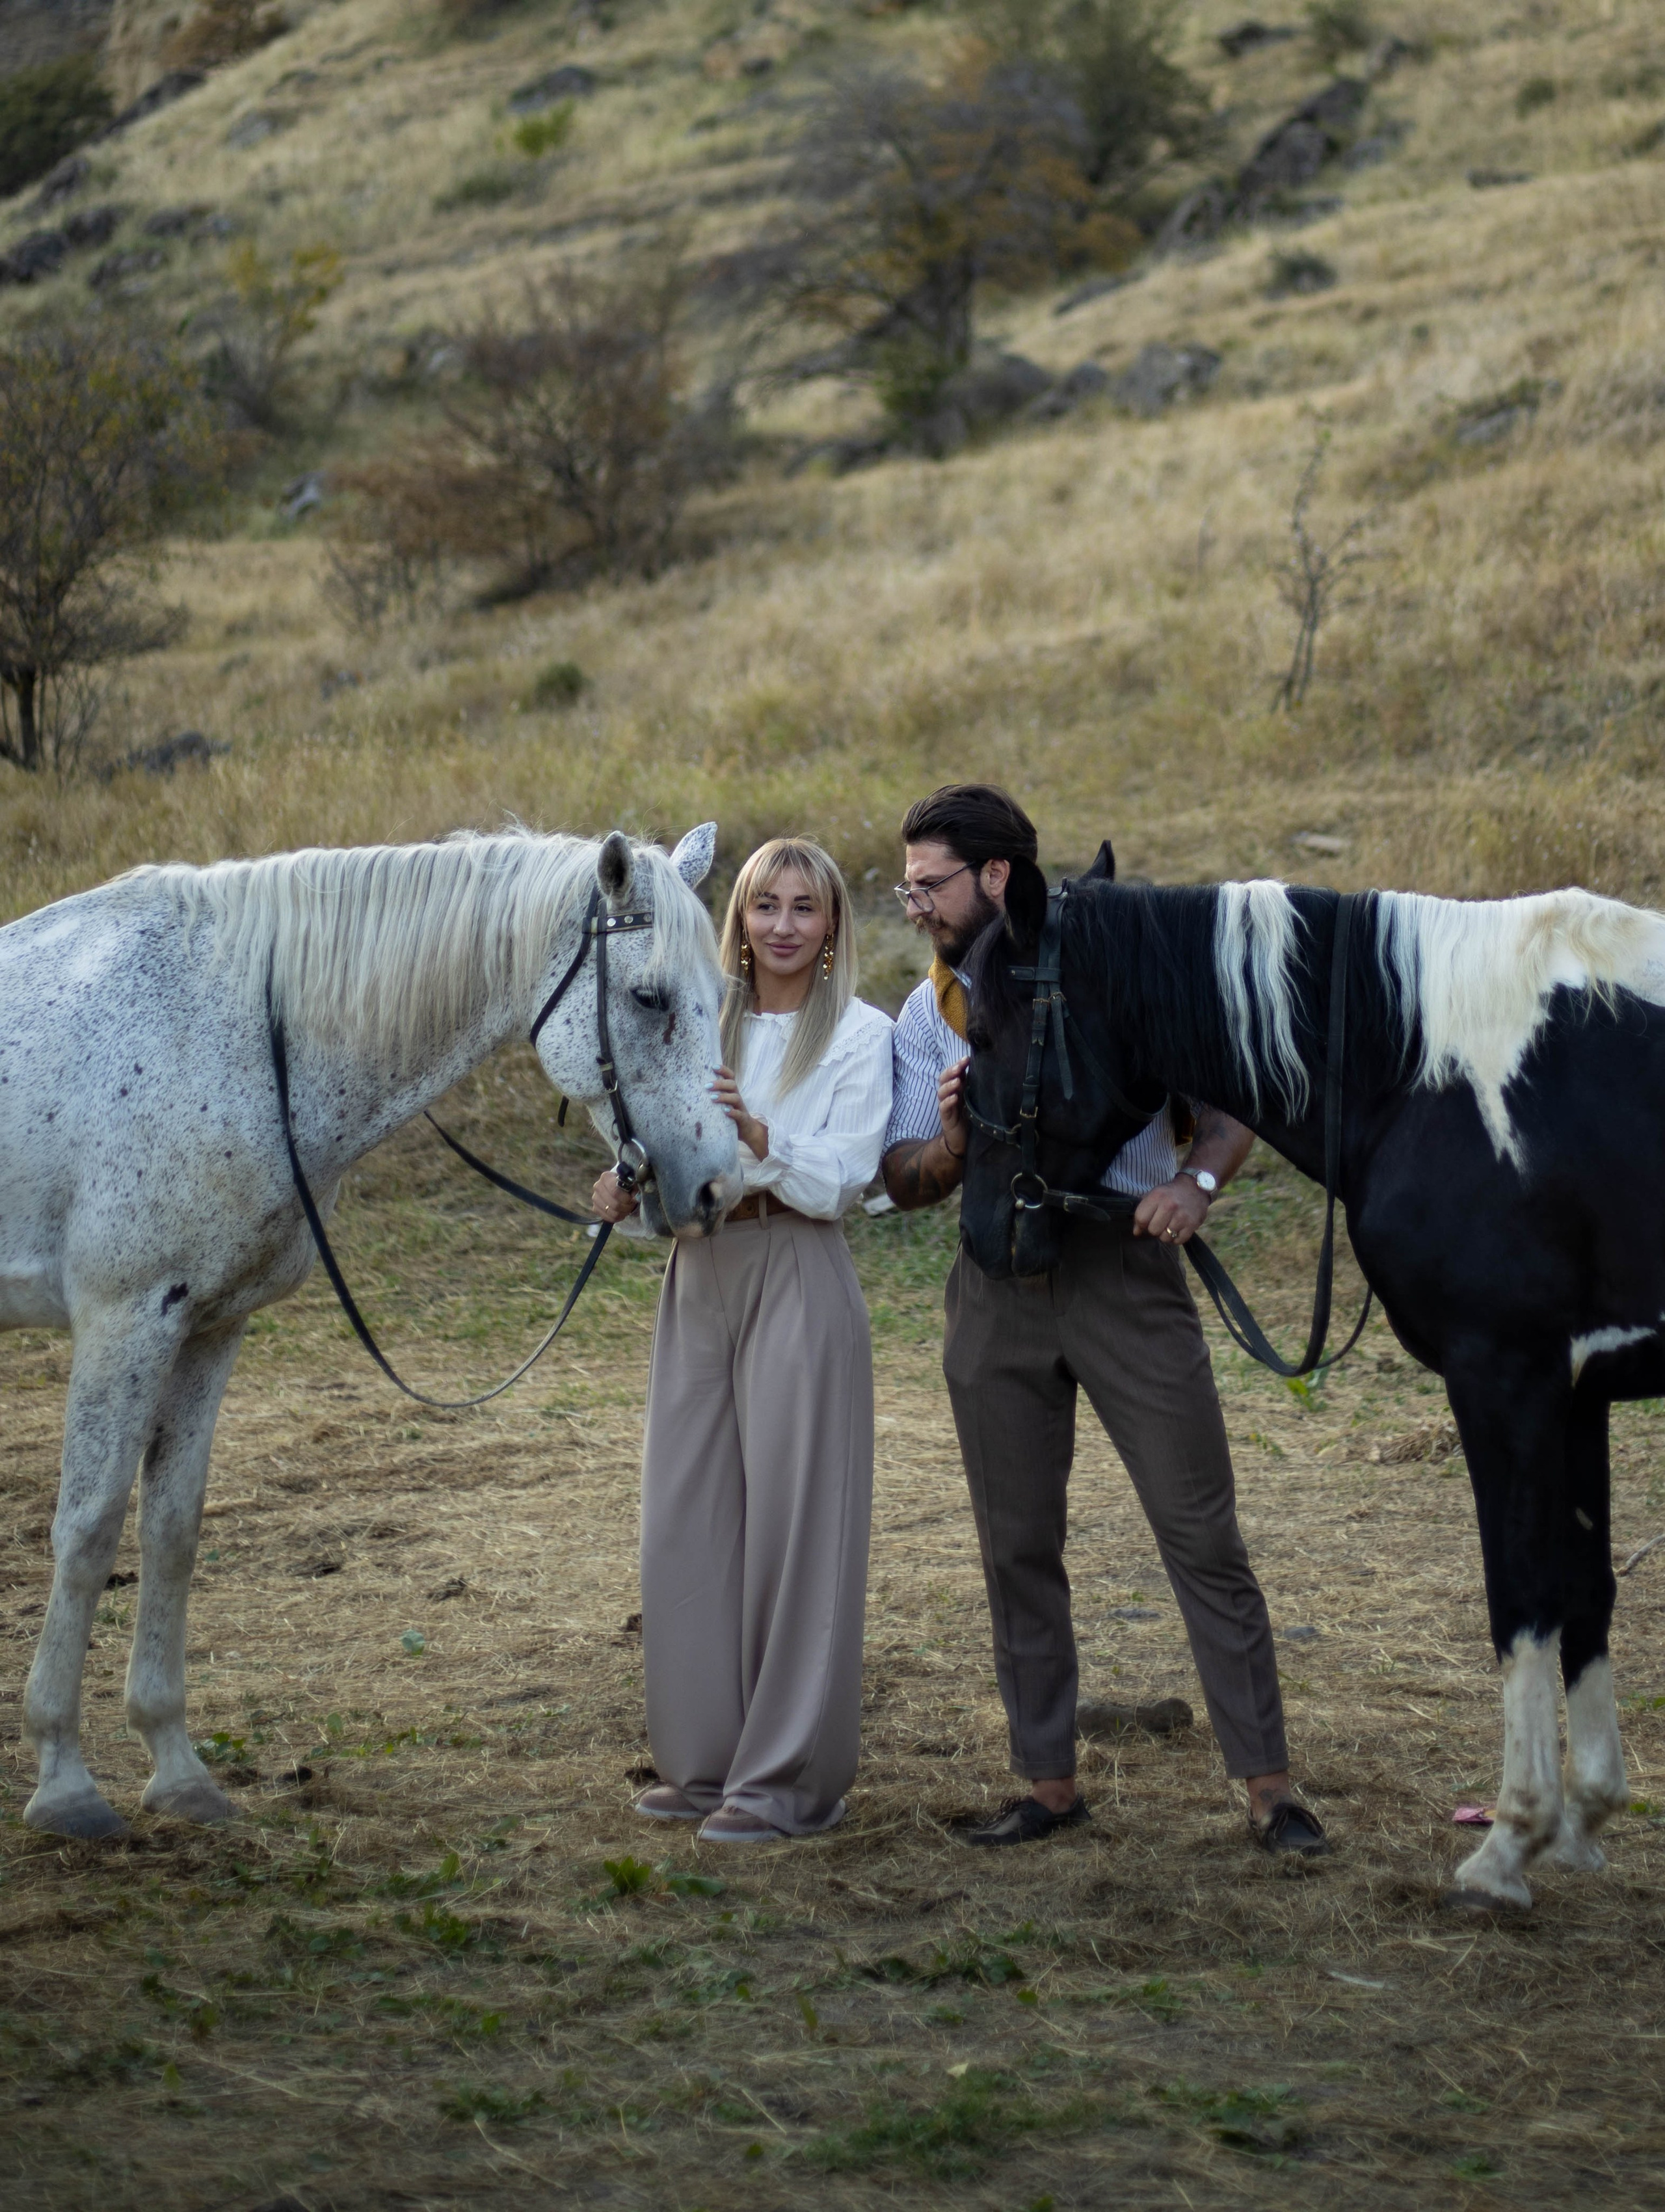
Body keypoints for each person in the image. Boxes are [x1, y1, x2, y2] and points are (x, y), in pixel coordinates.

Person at [881, 784, 1328, 1856]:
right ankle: (1048, 1785)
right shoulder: (925, 1007)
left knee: (1200, 1531)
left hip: (1127, 1273)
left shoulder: (1125, 972)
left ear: (998, 876)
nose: (916, 907)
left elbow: (1232, 1108)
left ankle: (1271, 1791)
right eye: (906, 887)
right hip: (993, 1290)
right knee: (1016, 1543)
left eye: (930, 884)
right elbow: (901, 1178)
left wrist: (1200, 1187)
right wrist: (947, 1142)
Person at [591, 837, 893, 1843]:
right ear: (740, 918)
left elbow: (850, 1176)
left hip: (798, 1270)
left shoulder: (858, 1032)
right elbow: (664, 1145)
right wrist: (626, 1189)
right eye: (766, 905)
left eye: (805, 907)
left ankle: (788, 1780)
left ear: (833, 924)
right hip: (699, 1270)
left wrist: (764, 1141)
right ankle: (703, 1760)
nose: (783, 925)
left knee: (798, 1531)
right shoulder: (696, 1021)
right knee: (688, 1518)